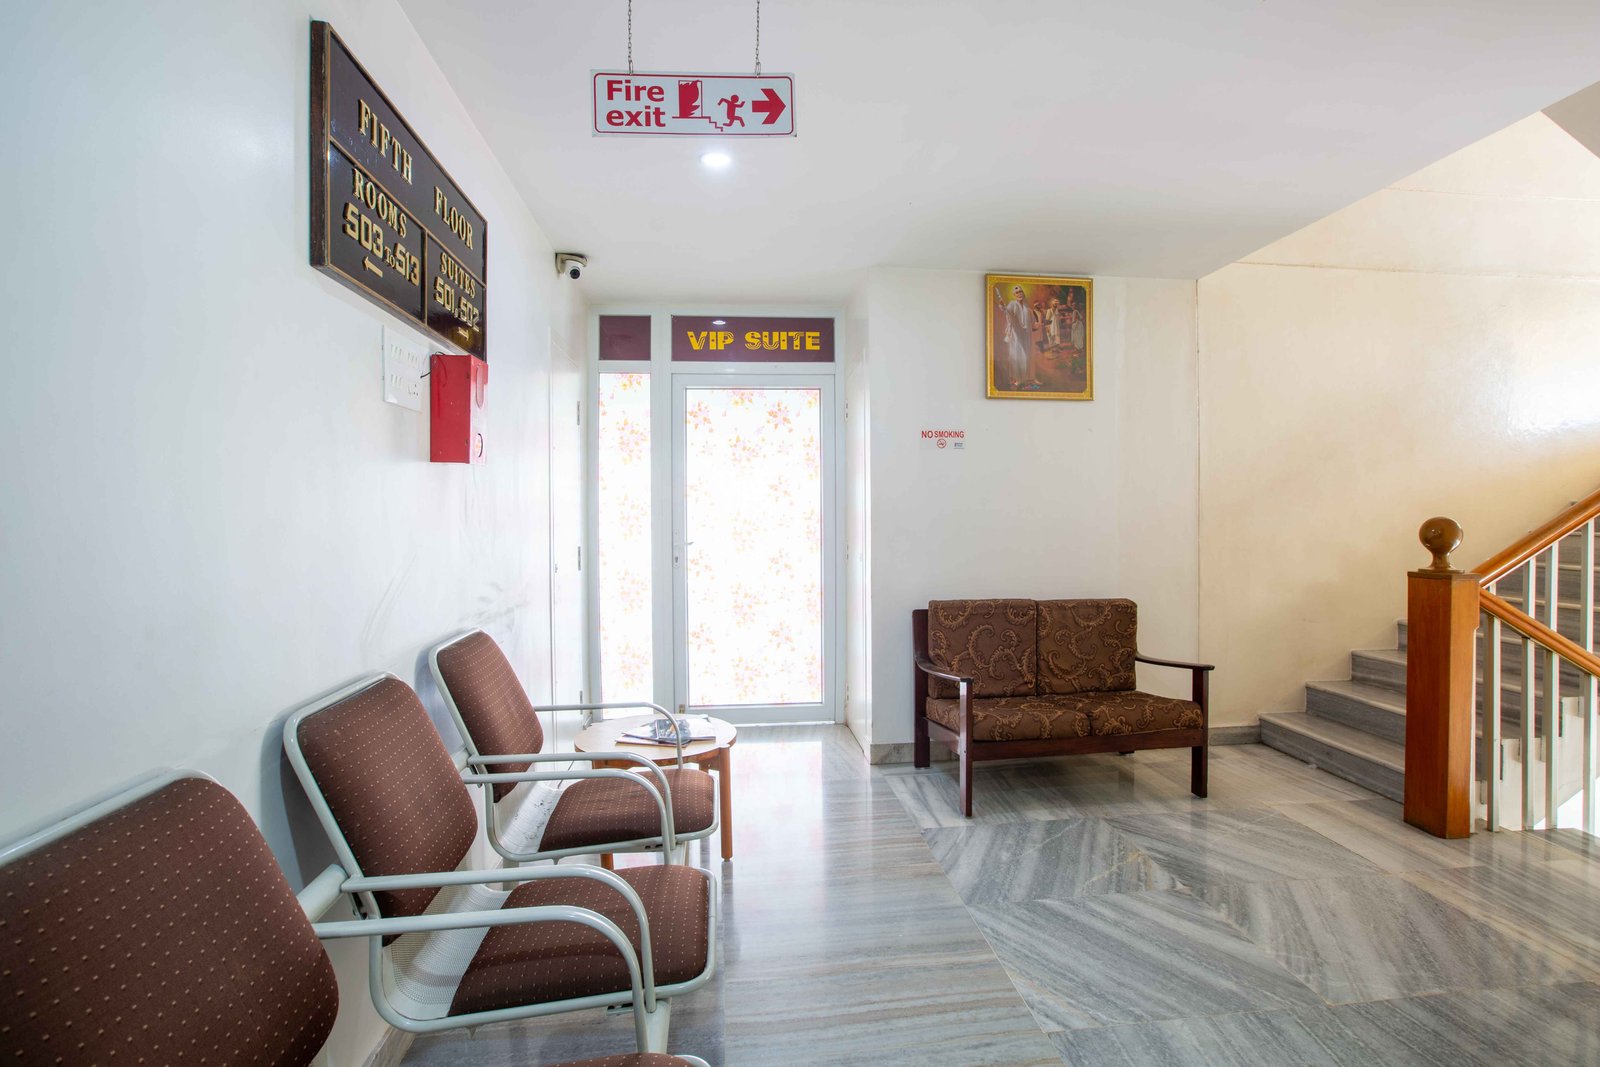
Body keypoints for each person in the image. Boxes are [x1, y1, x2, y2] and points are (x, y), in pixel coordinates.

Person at [993, 284, 1034, 389]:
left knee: (1025, 356)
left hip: (1025, 335)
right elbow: (1007, 311)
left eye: (1020, 292)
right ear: (1014, 295)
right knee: (1016, 356)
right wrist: (1002, 306)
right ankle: (1016, 380)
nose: (1019, 294)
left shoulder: (1026, 307)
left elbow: (1031, 321)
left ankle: (1024, 379)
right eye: (1017, 293)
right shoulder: (1012, 304)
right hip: (1016, 335)